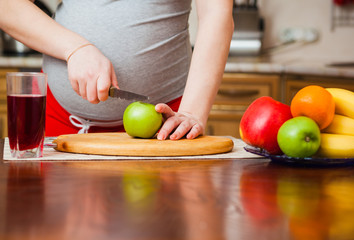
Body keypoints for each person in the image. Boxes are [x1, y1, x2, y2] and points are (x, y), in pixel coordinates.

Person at [0, 0, 233, 140]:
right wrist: (75, 48)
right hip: (59, 121)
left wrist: (191, 113)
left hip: (163, 125)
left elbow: (216, 14)